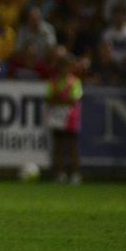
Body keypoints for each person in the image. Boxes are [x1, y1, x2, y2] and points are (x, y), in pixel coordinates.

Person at [45, 48, 83, 184]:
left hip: (71, 118)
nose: (63, 70)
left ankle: (75, 174)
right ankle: (60, 173)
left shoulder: (74, 82)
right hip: (57, 118)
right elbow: (49, 99)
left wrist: (59, 100)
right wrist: (62, 100)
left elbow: (74, 99)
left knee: (72, 147)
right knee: (58, 147)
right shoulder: (53, 81)